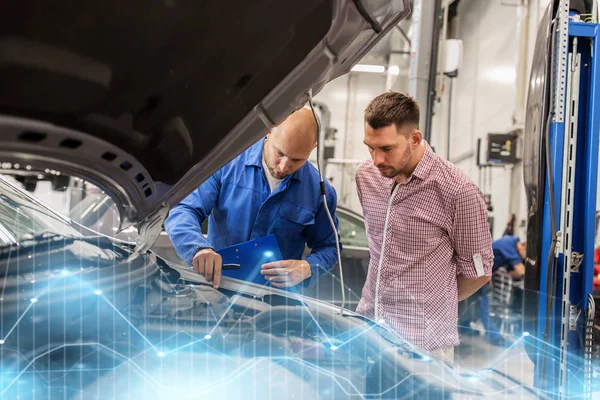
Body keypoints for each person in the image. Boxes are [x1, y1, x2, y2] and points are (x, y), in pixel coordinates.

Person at [354, 92, 494, 364]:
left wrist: (429, 303)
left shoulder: (457, 192)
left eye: (386, 148)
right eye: (370, 147)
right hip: (370, 332)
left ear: (415, 139)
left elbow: (479, 274)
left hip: (424, 347)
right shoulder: (366, 176)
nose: (377, 159)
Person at [165, 107, 340, 289]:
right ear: (270, 130)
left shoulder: (320, 192)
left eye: (297, 160)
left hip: (275, 302)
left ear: (314, 147)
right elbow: (183, 210)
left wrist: (307, 267)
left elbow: (330, 246)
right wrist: (198, 248)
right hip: (217, 290)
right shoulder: (226, 164)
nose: (283, 166)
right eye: (279, 153)